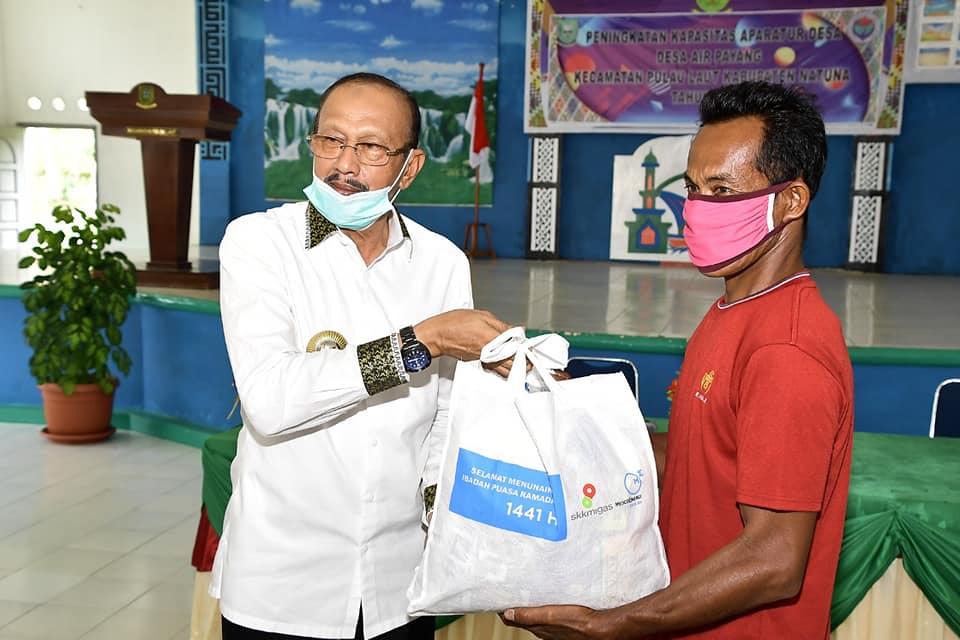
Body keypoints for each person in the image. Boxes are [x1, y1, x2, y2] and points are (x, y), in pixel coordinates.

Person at [502, 81, 854, 639]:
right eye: (693, 187)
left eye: (722, 189)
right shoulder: (732, 310)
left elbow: (774, 560)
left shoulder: (785, 350)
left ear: (791, 200)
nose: (698, 207)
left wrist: (614, 624)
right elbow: (698, 456)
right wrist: (565, 402)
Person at [211, 72, 511, 640]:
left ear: (409, 167)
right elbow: (270, 402)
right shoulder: (260, 243)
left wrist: (440, 522)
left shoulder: (441, 262)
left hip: (398, 585)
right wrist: (419, 342)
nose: (344, 165)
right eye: (331, 140)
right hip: (282, 583)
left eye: (371, 147)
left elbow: (446, 414)